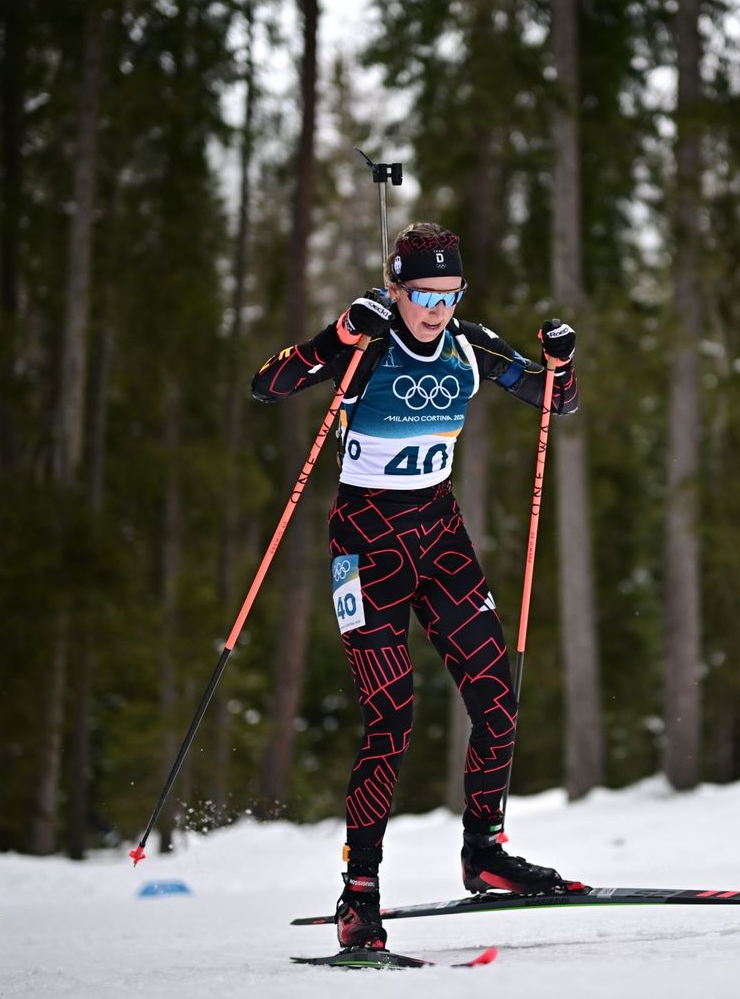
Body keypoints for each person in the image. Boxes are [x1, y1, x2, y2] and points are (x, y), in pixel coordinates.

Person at [250, 222, 585, 952]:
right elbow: (269, 383)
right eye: (422, 294)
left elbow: (554, 400)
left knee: (496, 693)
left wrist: (561, 364)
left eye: (448, 292)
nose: (435, 308)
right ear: (395, 288)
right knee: (391, 715)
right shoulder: (366, 348)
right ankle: (359, 892)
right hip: (364, 545)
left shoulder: (470, 346)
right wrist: (340, 332)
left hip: (439, 533)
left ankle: (485, 853)